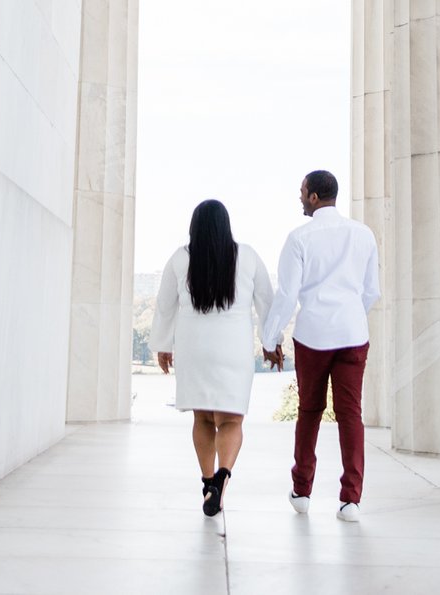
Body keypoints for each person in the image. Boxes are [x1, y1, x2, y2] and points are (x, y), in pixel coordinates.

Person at [258, 168, 380, 521]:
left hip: (313, 334)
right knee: (350, 414)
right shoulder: (363, 234)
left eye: (301, 192)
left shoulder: (299, 238)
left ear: (313, 196)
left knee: (310, 410)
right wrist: (352, 315)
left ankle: (302, 491)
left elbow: (287, 295)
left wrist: (270, 339)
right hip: (353, 333)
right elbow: (371, 290)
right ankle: (351, 499)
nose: (299, 198)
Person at [152, 199, 276, 524]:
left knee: (203, 419)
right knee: (231, 421)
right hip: (232, 348)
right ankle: (223, 476)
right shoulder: (246, 256)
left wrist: (164, 345)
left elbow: (165, 306)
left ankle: (208, 483)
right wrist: (270, 342)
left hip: (194, 348)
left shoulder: (181, 258)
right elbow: (266, 300)